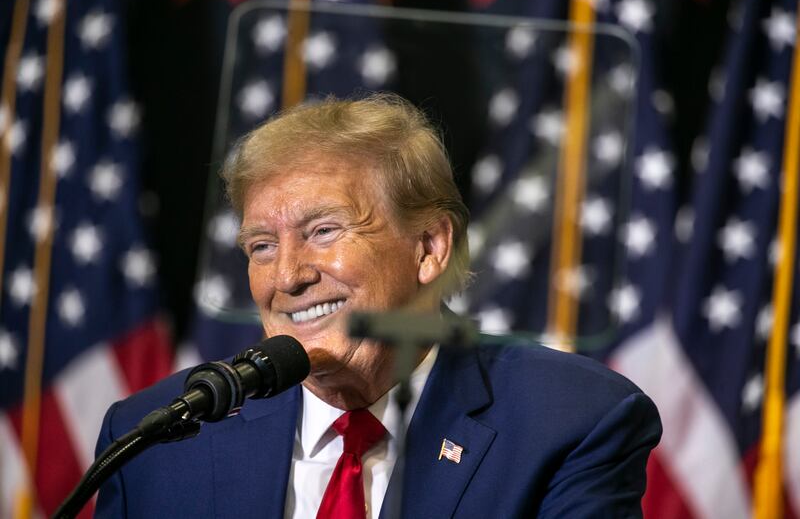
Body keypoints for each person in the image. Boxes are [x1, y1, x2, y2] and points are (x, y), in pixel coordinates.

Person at [94, 94, 661, 518]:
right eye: (261, 246)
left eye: (322, 231)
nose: (288, 276)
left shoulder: (567, 422)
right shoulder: (158, 441)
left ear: (429, 247)